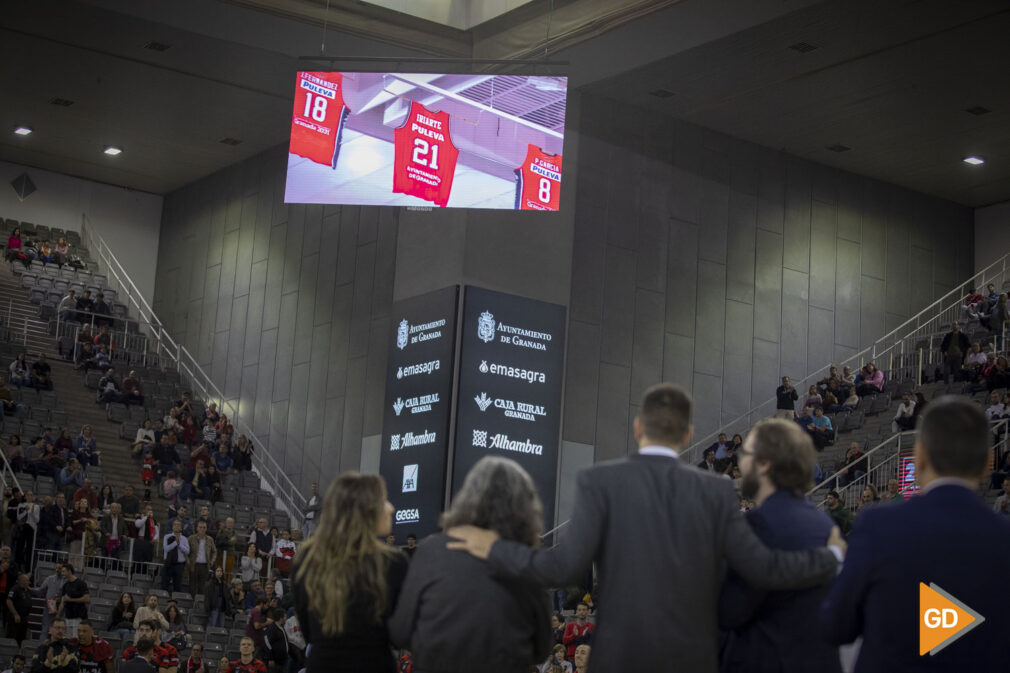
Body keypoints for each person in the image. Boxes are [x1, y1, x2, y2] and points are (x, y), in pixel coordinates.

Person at [447, 383, 843, 671]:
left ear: (638, 428)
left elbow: (561, 568)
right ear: (688, 435)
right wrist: (827, 558)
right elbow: (763, 568)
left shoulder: (600, 482)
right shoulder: (717, 489)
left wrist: (493, 548)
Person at [822, 396, 1010, 671]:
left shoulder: (877, 526)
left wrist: (837, 557)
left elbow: (836, 627)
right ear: (987, 463)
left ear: (919, 457)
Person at [389, 457, 551, 673]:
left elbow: (400, 632)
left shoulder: (431, 550)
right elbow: (542, 648)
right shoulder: (525, 560)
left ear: (466, 498)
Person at [718, 419, 841, 673]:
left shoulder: (758, 524)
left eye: (746, 454)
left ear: (763, 464)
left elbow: (730, 611)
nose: (741, 462)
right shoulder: (824, 523)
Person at [292, 473, 407, 673]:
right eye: (383, 501)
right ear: (365, 510)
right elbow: (400, 635)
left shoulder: (306, 559)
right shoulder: (393, 562)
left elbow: (308, 632)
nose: (391, 508)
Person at [33, 561, 65, 638]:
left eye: (59, 568)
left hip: (62, 608)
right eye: (56, 568)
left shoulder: (66, 581)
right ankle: (42, 648)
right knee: (45, 629)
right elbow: (40, 590)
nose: (57, 570)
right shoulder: (49, 579)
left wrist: (60, 599)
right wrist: (29, 589)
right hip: (49, 606)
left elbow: (68, 596)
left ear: (64, 569)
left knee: (59, 631)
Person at [58, 564, 89, 639]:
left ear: (69, 571)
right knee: (67, 639)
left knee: (76, 638)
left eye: (63, 571)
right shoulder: (65, 585)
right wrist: (58, 615)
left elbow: (87, 599)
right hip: (68, 616)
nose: (62, 573)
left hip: (78, 617)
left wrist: (71, 600)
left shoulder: (81, 583)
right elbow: (62, 601)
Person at [162, 520, 190, 592]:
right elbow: (166, 549)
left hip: (179, 565)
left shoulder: (184, 539)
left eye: (178, 525)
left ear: (181, 528)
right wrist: (175, 543)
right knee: (165, 585)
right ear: (172, 527)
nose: (176, 526)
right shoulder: (167, 536)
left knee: (177, 586)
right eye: (175, 525)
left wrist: (179, 544)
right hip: (168, 563)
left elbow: (187, 551)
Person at [6, 573, 32, 645]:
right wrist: (15, 614)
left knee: (21, 638)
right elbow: (9, 601)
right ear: (22, 581)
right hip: (15, 618)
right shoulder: (15, 589)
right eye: (27, 581)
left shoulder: (27, 590)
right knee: (12, 637)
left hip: (24, 618)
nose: (29, 582)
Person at [262, 609, 290, 673]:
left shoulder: (281, 627)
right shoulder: (272, 628)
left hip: (282, 660)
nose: (286, 618)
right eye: (285, 616)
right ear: (280, 618)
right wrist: (270, 658)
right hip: (275, 661)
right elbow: (267, 643)